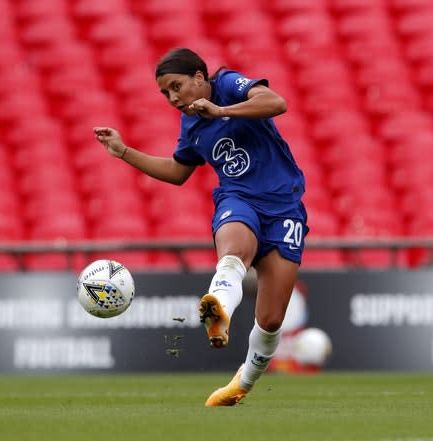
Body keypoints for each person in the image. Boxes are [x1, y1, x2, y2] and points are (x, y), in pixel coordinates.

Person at [94, 47, 309, 407]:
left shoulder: (227, 85)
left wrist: (222, 110)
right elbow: (179, 172)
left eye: (176, 86)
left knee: (271, 320)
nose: (173, 97)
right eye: (165, 93)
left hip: (284, 206)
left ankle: (241, 384)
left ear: (199, 77)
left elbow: (276, 102)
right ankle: (218, 310)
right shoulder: (191, 125)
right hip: (238, 198)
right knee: (233, 251)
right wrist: (124, 152)